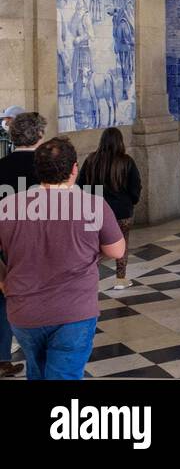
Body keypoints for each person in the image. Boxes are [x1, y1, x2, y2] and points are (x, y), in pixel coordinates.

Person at [0, 138, 125, 380]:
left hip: (24, 310)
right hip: (74, 311)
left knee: (37, 372)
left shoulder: (7, 206)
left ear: (37, 169)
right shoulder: (93, 205)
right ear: (74, 168)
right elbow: (117, 251)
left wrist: (4, 280)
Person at [0, 111, 42, 378]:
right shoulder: (47, 167)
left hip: (4, 244)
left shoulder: (0, 167)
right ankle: (38, 357)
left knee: (1, 301)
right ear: (39, 135)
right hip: (38, 245)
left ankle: (3, 357)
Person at [76, 127, 141, 290]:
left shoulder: (91, 160)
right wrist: (130, 202)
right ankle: (120, 279)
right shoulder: (126, 161)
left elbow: (80, 185)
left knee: (94, 246)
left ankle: (92, 280)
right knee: (122, 243)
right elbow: (135, 187)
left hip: (95, 210)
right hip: (121, 211)